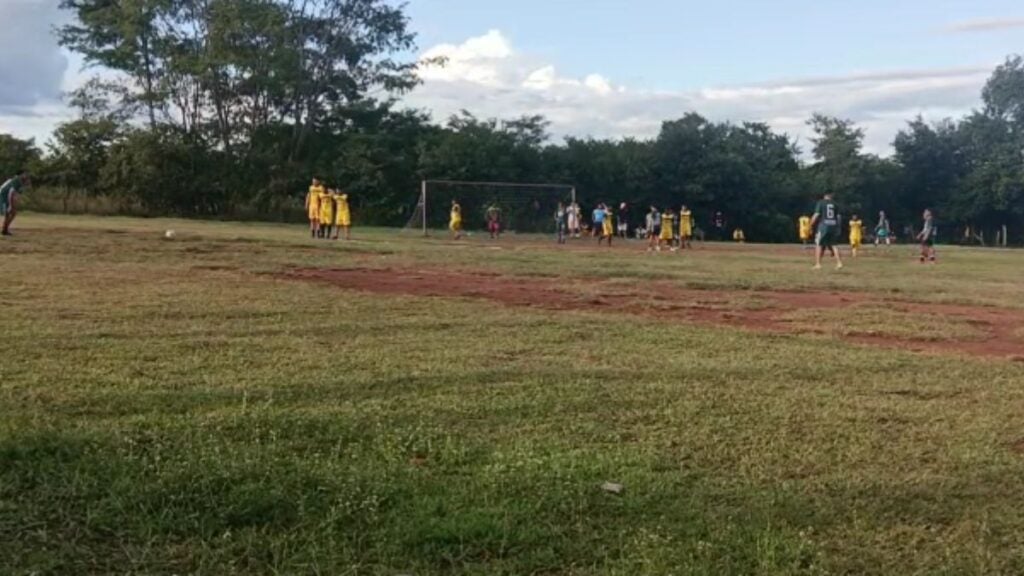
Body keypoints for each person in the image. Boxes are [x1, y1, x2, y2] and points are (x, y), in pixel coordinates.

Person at [811, 193, 843, 270]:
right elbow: (838, 217)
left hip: (824, 226)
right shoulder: (835, 204)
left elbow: (816, 214)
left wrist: (811, 224)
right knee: (834, 245)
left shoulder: (821, 203)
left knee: (819, 244)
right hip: (833, 225)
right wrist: (838, 227)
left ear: (824, 195)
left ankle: (818, 264)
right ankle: (839, 262)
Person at [1, 171, 29, 236]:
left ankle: (5, 229)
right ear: (20, 174)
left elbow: (16, 192)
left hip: (5, 194)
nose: (25, 175)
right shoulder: (17, 180)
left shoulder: (17, 180)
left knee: (9, 213)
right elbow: (12, 192)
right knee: (12, 212)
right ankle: (5, 229)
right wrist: (12, 203)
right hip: (5, 195)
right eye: (24, 174)